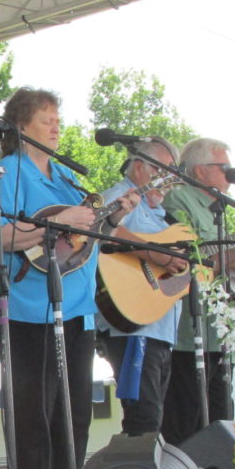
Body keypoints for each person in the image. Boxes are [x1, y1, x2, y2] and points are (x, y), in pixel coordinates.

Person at [0, 87, 140, 469]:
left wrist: (113, 218)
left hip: (74, 306)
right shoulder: (7, 171)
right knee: (33, 414)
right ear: (21, 125)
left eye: (58, 119)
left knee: (74, 412)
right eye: (47, 119)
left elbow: (79, 242)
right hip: (24, 306)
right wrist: (62, 222)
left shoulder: (66, 178)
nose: (57, 127)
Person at [159, 137, 235, 445]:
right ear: (199, 171)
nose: (230, 174)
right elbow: (193, 263)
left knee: (220, 422)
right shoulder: (179, 201)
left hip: (218, 332)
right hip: (187, 334)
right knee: (187, 424)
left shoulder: (219, 210)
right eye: (223, 167)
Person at [95, 138, 189, 436]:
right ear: (138, 167)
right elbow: (103, 229)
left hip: (158, 327)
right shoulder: (119, 196)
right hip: (131, 325)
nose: (169, 180)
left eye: (173, 174)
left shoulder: (163, 216)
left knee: (154, 420)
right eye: (163, 171)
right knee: (142, 421)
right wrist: (156, 254)